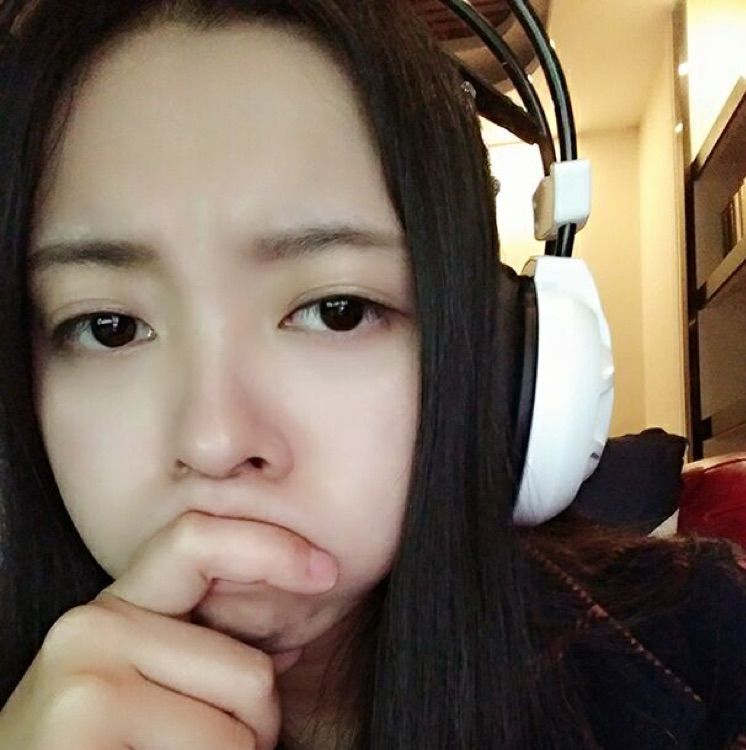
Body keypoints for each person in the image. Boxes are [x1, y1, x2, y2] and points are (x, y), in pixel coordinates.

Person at [0, 1, 744, 748]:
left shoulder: (700, 639)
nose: (215, 441)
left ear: (487, 357)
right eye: (109, 327)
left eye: (338, 311)